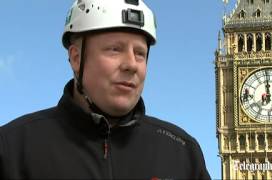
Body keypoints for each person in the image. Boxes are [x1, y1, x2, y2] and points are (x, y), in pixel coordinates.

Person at [0, 0, 210, 179]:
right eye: (114, 49)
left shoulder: (183, 153)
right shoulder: (12, 150)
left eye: (140, 53)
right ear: (76, 58)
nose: (132, 64)